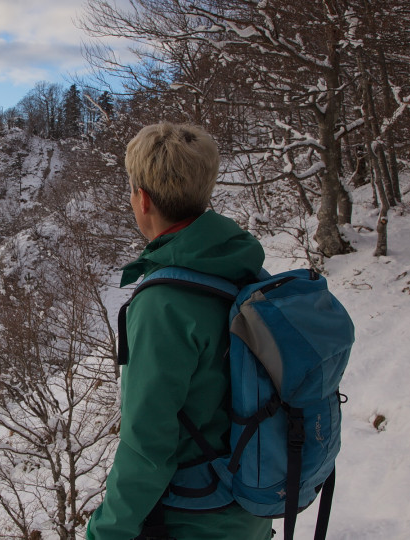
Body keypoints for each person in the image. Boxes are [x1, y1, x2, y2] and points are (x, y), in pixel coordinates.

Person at [86, 123, 273, 540]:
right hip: (250, 510)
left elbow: (146, 447)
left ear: (143, 199)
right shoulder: (244, 269)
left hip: (192, 519)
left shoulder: (163, 304)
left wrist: (105, 532)